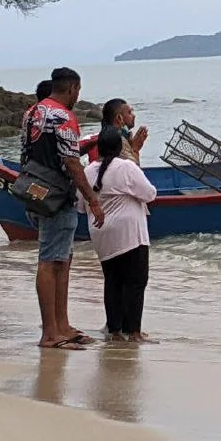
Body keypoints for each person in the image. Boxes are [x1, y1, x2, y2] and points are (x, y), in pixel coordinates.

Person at [19, 67, 103, 350]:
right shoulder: (64, 116)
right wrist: (91, 199)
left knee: (62, 259)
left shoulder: (32, 113)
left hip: (35, 191)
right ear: (73, 89)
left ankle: (61, 325)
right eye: (78, 92)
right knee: (50, 260)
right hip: (57, 197)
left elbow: (29, 151)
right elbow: (70, 162)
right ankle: (50, 333)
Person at [79, 128, 157, 343]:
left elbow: (79, 204)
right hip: (130, 234)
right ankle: (134, 332)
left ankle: (115, 331)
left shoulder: (87, 172)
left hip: (101, 234)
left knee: (112, 281)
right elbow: (150, 193)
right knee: (135, 282)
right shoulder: (126, 167)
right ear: (120, 147)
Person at [100, 98, 149, 163]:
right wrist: (135, 149)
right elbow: (132, 169)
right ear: (119, 118)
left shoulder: (105, 136)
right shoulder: (117, 140)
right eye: (129, 113)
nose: (134, 116)